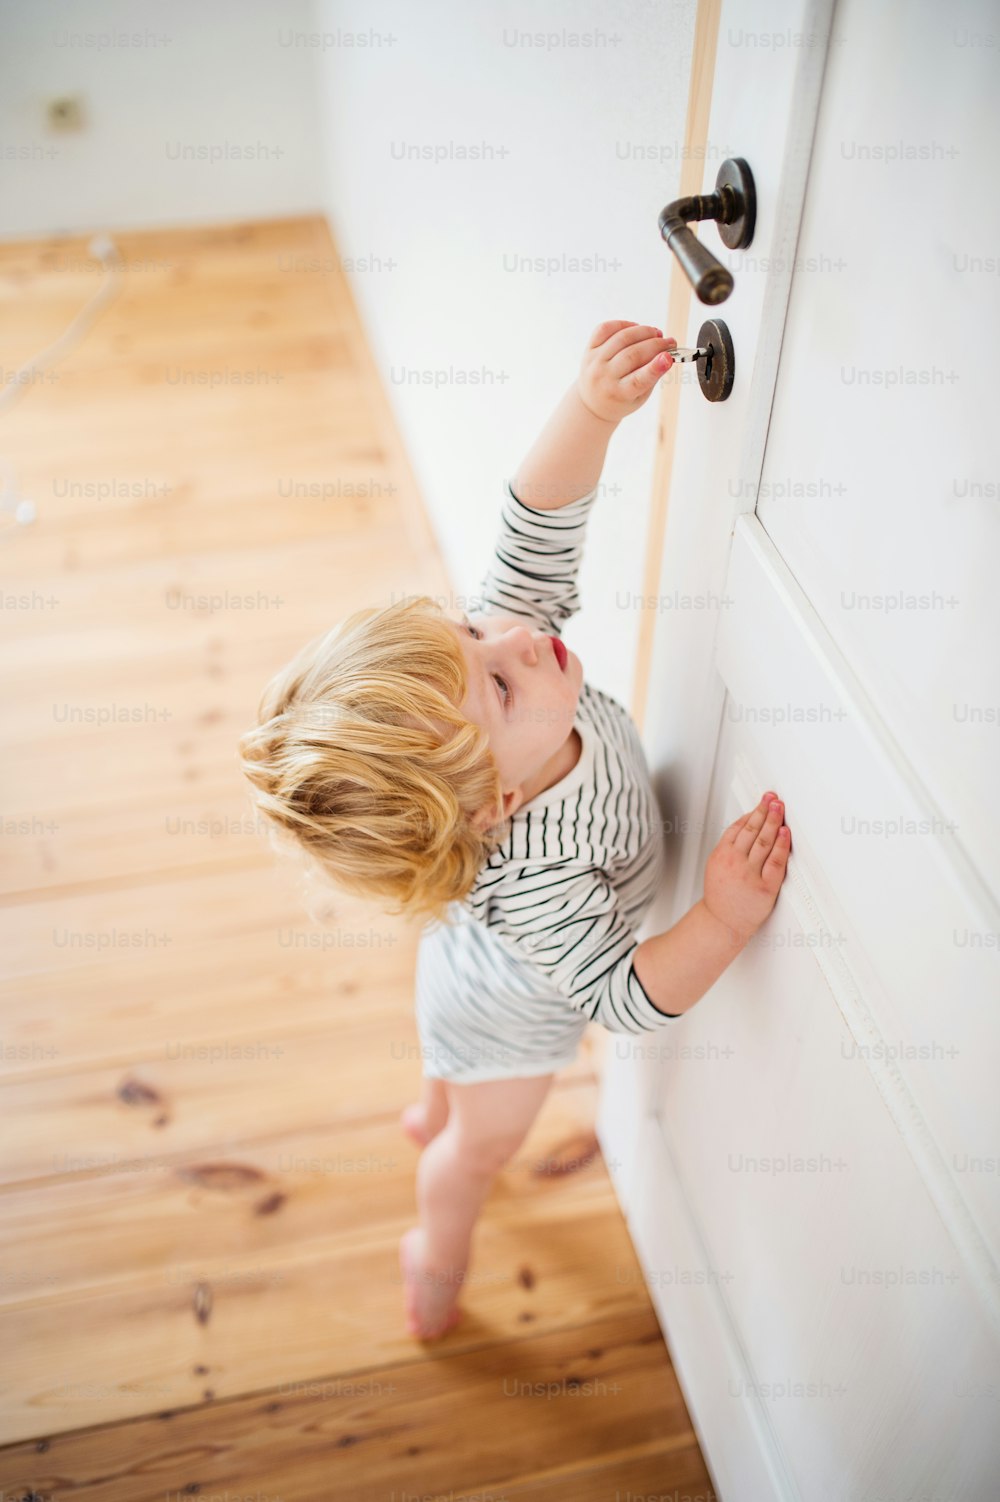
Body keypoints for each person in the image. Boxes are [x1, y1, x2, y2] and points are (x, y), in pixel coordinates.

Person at [238, 320, 791, 1340]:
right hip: (506, 1017)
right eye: (495, 673)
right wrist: (718, 913)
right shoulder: (534, 873)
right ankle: (435, 1242)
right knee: (476, 1148)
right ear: (491, 808)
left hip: (462, 963)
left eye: (469, 629)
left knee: (444, 1071)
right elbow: (622, 996)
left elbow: (535, 521)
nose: (520, 634)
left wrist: (590, 409)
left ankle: (432, 1101)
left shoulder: (506, 681)